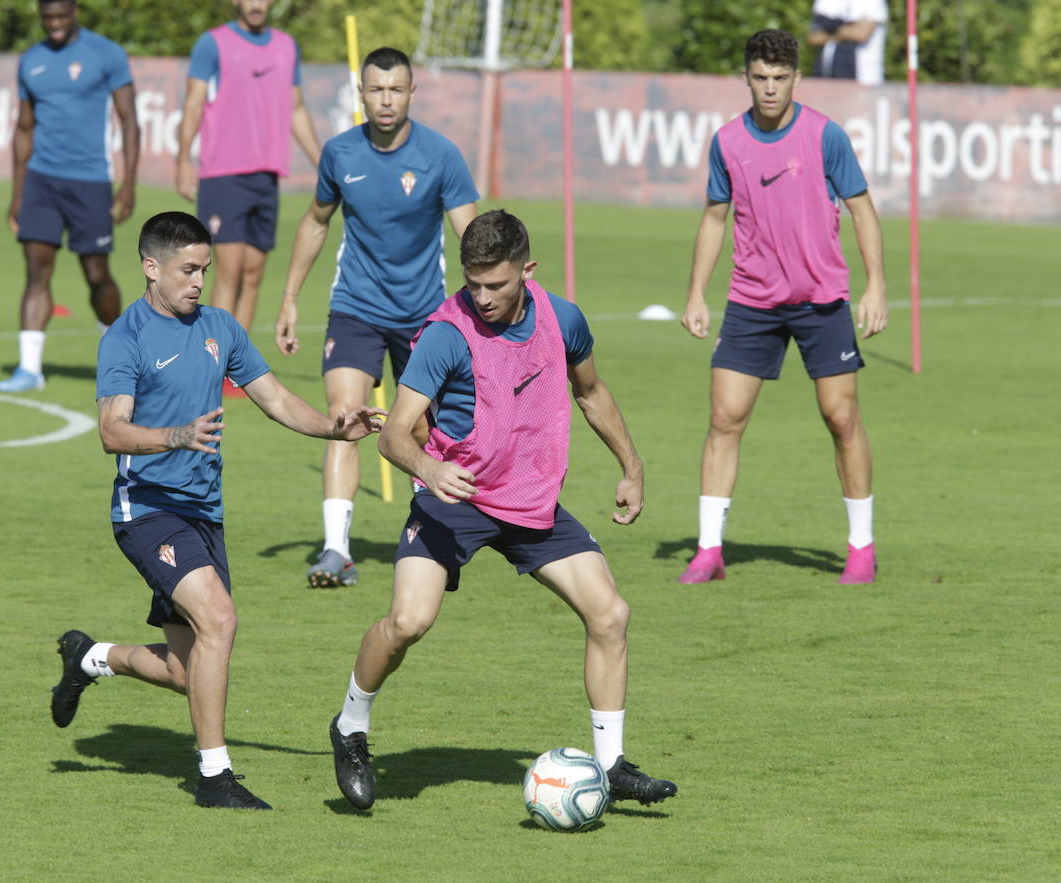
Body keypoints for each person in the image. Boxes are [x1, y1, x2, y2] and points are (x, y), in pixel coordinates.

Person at [326, 210, 677, 812]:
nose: (482, 298)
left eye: (497, 285)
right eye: (473, 284)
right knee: (409, 622)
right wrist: (431, 469)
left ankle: (612, 763)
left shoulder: (564, 319)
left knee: (610, 614)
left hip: (527, 497)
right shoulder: (444, 335)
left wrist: (632, 466)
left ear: (528, 272)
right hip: (453, 496)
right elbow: (394, 435)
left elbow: (590, 392)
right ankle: (351, 725)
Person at [50, 211, 382, 809]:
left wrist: (335, 429)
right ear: (151, 268)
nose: (200, 281)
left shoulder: (220, 328)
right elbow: (112, 430)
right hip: (148, 511)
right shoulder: (125, 338)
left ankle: (91, 657)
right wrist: (175, 436)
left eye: (205, 269)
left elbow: (275, 397)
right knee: (220, 622)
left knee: (188, 671)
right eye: (188, 270)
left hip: (204, 513)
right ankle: (214, 777)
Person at [678, 29, 887, 587]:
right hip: (752, 302)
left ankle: (861, 548)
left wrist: (876, 287)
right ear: (746, 78)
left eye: (779, 78)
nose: (769, 89)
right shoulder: (726, 142)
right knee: (724, 418)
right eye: (760, 78)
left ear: (796, 78)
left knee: (841, 418)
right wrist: (697, 293)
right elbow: (715, 218)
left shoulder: (825, 136)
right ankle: (708, 550)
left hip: (822, 301)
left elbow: (864, 211)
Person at [277, 46, 478, 589]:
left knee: (416, 428)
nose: (385, 99)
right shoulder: (339, 154)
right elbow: (316, 222)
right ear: (360, 94)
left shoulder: (441, 156)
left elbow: (472, 234)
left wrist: (495, 296)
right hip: (355, 310)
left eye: (395, 89)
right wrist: (291, 296)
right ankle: (336, 552)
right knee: (344, 419)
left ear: (412, 93)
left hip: (423, 319)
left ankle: (431, 539)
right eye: (375, 90)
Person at [0, 0, 138, 392]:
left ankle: (119, 354)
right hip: (42, 182)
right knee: (36, 273)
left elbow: (129, 119)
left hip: (90, 182)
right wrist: (17, 193)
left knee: (97, 276)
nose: (55, 24)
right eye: (48, 18)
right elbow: (23, 129)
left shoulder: (106, 54)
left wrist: (128, 184)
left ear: (76, 11)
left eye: (62, 17)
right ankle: (29, 370)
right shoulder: (31, 61)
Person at [175, 0, 320, 353]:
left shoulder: (287, 46)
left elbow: (296, 108)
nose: (256, 4)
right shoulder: (213, 43)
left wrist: (322, 162)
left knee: (254, 273)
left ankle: (234, 365)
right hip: (223, 173)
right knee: (229, 270)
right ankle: (212, 359)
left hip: (266, 176)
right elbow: (194, 102)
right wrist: (182, 159)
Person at [807, 0, 888, 86]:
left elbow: (861, 34)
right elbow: (814, 37)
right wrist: (849, 27)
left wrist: (830, 29)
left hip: (864, 78)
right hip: (826, 74)